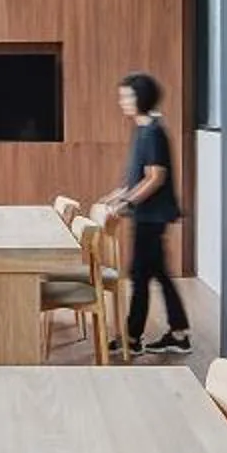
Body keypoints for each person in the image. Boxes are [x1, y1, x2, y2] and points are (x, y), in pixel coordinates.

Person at [97, 71, 189, 356]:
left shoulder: (152, 132)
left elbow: (155, 177)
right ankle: (177, 332)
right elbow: (139, 176)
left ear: (142, 99)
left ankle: (134, 338)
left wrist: (127, 203)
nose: (122, 101)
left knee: (140, 274)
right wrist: (118, 194)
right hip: (147, 215)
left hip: (152, 216)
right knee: (155, 273)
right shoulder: (143, 130)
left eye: (127, 96)